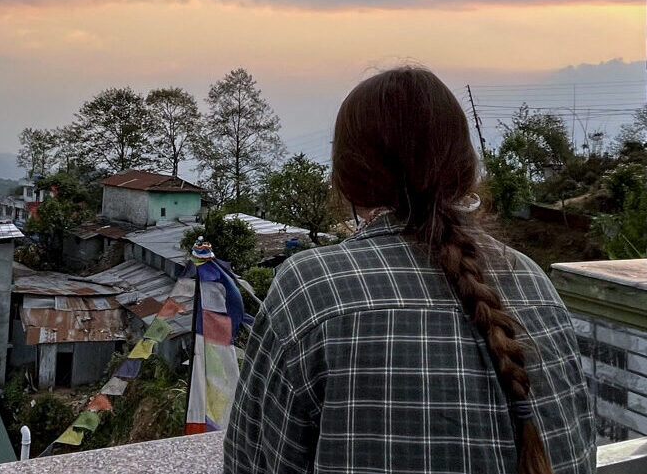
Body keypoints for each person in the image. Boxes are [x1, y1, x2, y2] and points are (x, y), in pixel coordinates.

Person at [224, 67, 594, 474]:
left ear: (346, 181)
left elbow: (251, 460)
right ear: (465, 171)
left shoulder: (312, 288)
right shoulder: (532, 281)